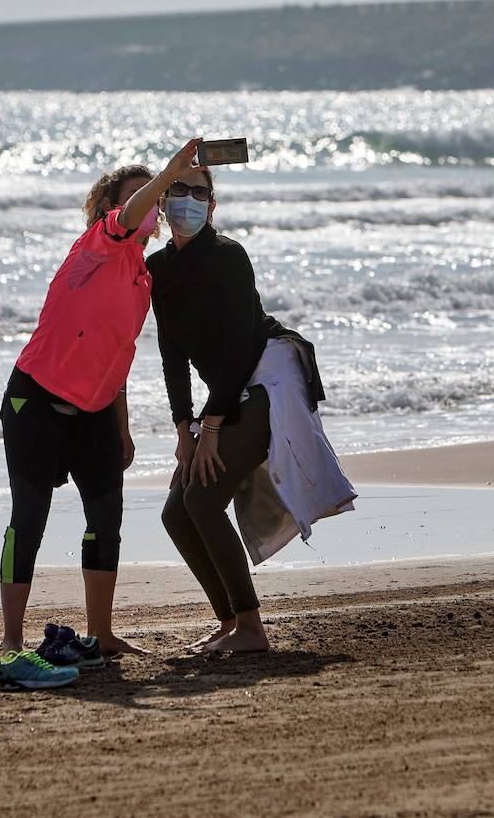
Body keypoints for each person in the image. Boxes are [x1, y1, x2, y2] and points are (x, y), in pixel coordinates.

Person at [0, 139, 202, 691]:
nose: (152, 208)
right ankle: (10, 647)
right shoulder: (98, 246)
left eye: (157, 199)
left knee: (106, 519)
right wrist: (164, 176)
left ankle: (100, 634)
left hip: (97, 410)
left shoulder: (142, 278)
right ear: (113, 207)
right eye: (141, 199)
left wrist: (123, 422)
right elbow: (127, 216)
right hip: (34, 400)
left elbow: (117, 350)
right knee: (29, 519)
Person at [147, 152, 356, 654]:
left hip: (268, 374)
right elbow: (171, 353)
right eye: (180, 190)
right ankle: (230, 623)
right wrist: (184, 429)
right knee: (176, 512)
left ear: (212, 205)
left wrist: (212, 425)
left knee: (200, 497)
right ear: (162, 200)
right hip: (228, 390)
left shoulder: (228, 255)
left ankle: (252, 627)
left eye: (201, 193)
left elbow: (242, 345)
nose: (189, 201)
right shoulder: (155, 268)